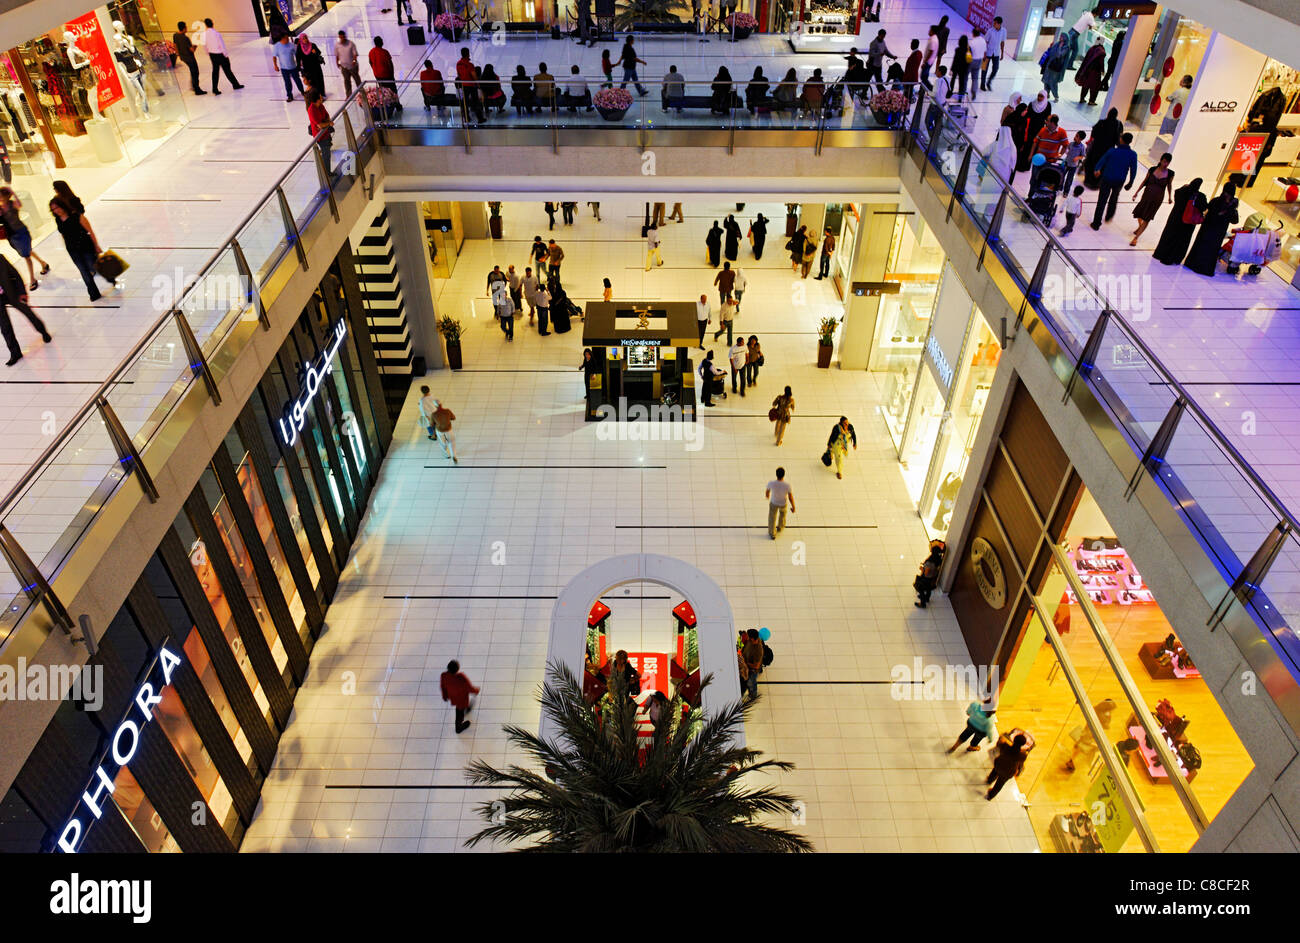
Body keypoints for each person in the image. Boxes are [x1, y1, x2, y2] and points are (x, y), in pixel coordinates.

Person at [50, 196, 107, 301]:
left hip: (86, 246)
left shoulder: (76, 216)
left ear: (62, 206)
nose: (56, 211)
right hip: (73, 250)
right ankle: (94, 293)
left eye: (57, 208)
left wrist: (96, 245)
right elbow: (63, 234)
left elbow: (90, 231)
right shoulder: (58, 220)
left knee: (93, 267)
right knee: (84, 271)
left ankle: (110, 277)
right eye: (53, 209)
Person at [0, 253, 50, 366]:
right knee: (5, 326)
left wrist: (22, 292)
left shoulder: (0, 258)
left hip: (12, 293)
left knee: (28, 313)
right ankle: (15, 353)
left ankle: (43, 331)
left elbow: (15, 274)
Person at [1183, 182, 1239, 276]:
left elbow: (1209, 211)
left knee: (1202, 246)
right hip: (1218, 231)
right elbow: (1234, 220)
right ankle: (1204, 267)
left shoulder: (1217, 201)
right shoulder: (1231, 205)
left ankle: (1193, 263)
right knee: (1210, 249)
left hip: (1209, 228)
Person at [0, 189, 49, 290]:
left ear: (5, 196)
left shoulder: (12, 204)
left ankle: (32, 279)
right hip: (12, 237)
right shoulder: (0, 208)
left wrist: (12, 192)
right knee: (27, 252)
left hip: (21, 233)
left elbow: (19, 204)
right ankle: (43, 264)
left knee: (26, 256)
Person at [1090, 132, 1138, 230]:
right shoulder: (1133, 155)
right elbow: (1134, 169)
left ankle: (1096, 223)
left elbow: (1102, 161)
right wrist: (1131, 182)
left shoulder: (1112, 151)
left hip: (1107, 178)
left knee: (1102, 201)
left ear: (1121, 140)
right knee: (1114, 198)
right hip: (1119, 181)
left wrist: (1097, 169)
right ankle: (1109, 216)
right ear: (1130, 142)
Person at [1153, 178, 1206, 265]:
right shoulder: (1200, 196)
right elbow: (1203, 207)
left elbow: (1176, 195)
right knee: (1182, 240)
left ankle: (1160, 254)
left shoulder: (1182, 191)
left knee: (1169, 236)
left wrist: (1183, 187)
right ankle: (1175, 258)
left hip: (1175, 219)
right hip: (1188, 223)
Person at [1130, 152, 1175, 245]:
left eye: (1168, 162)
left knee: (1147, 218)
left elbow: (1169, 186)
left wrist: (1170, 197)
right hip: (1146, 195)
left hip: (1157, 199)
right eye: (1164, 161)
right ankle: (1140, 227)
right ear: (1161, 160)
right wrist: (1136, 192)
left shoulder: (1170, 173)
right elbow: (1145, 181)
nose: (1166, 164)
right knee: (1139, 213)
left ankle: (1136, 238)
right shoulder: (1152, 169)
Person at [1083, 107, 1123, 187]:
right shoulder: (1118, 124)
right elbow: (1118, 138)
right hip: (1108, 150)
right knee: (1103, 166)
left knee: (1092, 163)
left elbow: (1093, 133)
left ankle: (1088, 181)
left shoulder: (1101, 122)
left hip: (1096, 147)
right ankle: (1097, 183)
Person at [986, 731, 1031, 799]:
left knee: (994, 771)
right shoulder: (1023, 755)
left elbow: (999, 744)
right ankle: (991, 795)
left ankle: (989, 780)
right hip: (1009, 771)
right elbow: (1021, 762)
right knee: (999, 784)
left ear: (1014, 739)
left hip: (999, 763)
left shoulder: (1005, 746)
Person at [202, 19, 242, 93]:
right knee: (227, 71)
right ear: (212, 24)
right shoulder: (216, 33)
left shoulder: (204, 34)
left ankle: (215, 89)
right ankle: (235, 85)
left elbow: (204, 45)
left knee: (215, 72)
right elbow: (221, 45)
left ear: (206, 25)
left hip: (212, 55)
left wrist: (208, 53)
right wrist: (226, 55)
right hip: (220, 54)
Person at [440, 660, 479, 733]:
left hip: (453, 696)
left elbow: (443, 686)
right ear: (457, 669)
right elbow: (469, 688)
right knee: (459, 712)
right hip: (461, 698)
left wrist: (444, 696)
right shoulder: (461, 677)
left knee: (461, 708)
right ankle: (458, 727)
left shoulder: (444, 675)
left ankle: (467, 709)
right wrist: (476, 690)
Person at [172, 21, 205, 94]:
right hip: (190, 58)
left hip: (183, 57)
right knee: (195, 72)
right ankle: (197, 89)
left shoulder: (175, 35)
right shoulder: (185, 38)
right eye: (186, 27)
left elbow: (175, 45)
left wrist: (178, 55)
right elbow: (192, 50)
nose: (187, 28)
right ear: (184, 28)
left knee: (192, 71)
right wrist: (196, 44)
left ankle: (194, 86)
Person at [305, 88, 333, 170]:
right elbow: (320, 125)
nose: (321, 96)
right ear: (317, 99)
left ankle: (327, 171)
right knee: (326, 154)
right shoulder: (311, 110)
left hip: (325, 132)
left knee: (327, 152)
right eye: (320, 96)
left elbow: (327, 116)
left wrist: (326, 123)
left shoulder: (320, 105)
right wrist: (328, 123)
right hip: (320, 136)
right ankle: (327, 173)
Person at [454, 48, 484, 123]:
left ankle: (466, 118)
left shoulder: (458, 63)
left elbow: (459, 74)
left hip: (464, 85)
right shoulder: (470, 65)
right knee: (475, 102)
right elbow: (474, 76)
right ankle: (480, 118)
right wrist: (478, 84)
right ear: (468, 53)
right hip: (471, 85)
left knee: (465, 102)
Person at [765, 466, 795, 539]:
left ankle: (772, 533)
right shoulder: (787, 485)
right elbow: (790, 497)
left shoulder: (771, 483)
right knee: (782, 515)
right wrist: (793, 506)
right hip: (783, 503)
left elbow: (767, 491)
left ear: (776, 474)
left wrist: (767, 496)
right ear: (784, 475)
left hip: (774, 502)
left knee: (772, 517)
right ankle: (780, 527)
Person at [271, 32, 303, 101]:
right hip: (284, 69)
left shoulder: (292, 45)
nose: (288, 39)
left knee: (297, 80)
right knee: (287, 82)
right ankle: (289, 95)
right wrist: (275, 65)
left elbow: (297, 55)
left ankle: (302, 91)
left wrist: (300, 63)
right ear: (282, 38)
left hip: (293, 67)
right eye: (286, 38)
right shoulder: (276, 46)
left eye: (288, 37)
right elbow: (274, 57)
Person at [913, 540, 944, 607]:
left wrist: (922, 569)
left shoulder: (930, 562)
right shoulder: (938, 559)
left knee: (920, 589)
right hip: (932, 577)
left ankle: (922, 603)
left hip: (926, 578)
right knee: (928, 588)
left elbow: (926, 572)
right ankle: (927, 598)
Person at [1074, 39, 1106, 106]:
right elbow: (1101, 62)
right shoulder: (1101, 51)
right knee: (1095, 87)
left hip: (1087, 70)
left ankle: (1082, 98)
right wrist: (1102, 71)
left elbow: (1086, 59)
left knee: (1085, 85)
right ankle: (1091, 101)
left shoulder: (1092, 48)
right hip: (1095, 72)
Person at [1064, 5, 1096, 70]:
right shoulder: (1091, 17)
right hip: (1075, 34)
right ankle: (1069, 65)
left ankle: (1064, 63)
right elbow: (1094, 27)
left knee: (1069, 48)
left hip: (1072, 31)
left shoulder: (1087, 13)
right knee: (1075, 50)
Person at [296, 33, 326, 100]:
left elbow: (319, 53)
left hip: (316, 67)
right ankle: (315, 96)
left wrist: (315, 52)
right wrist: (299, 69)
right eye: (303, 38)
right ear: (301, 40)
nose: (305, 40)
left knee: (318, 81)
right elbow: (298, 58)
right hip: (307, 69)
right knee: (312, 83)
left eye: (306, 38)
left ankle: (321, 95)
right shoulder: (299, 48)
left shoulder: (312, 45)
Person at [1040, 34, 1069, 103]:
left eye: (1062, 37)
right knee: (1046, 80)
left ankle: (1056, 96)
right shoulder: (1057, 44)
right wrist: (1050, 47)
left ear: (1065, 38)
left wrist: (1060, 47)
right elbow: (1050, 52)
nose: (1060, 38)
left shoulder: (1065, 47)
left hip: (1055, 68)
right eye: (1060, 36)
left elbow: (1059, 55)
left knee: (1053, 83)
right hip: (1049, 65)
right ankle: (1046, 94)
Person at [982, 16, 1007, 90]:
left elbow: (1002, 42)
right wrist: (984, 53)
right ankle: (982, 84)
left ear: (999, 24)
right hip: (988, 52)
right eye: (994, 22)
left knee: (996, 68)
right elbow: (985, 42)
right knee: (984, 68)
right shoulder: (990, 31)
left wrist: (1002, 53)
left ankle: (989, 82)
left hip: (996, 53)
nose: (994, 24)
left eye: (995, 23)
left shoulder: (1004, 31)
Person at [336, 30, 361, 97]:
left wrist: (354, 61)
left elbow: (355, 54)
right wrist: (337, 63)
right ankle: (348, 95)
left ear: (345, 36)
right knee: (347, 81)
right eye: (341, 37)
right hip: (344, 67)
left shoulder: (351, 44)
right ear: (339, 37)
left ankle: (362, 93)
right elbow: (337, 55)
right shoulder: (337, 45)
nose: (342, 38)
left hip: (353, 67)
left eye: (343, 37)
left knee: (357, 80)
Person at [1061, 129, 1087, 194]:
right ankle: (1059, 187)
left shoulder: (1082, 147)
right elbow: (1067, 149)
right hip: (1066, 163)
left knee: (1069, 180)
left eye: (1077, 136)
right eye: (1075, 135)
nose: (1075, 137)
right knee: (1062, 176)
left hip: (1073, 166)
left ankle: (1066, 192)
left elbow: (1083, 156)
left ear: (1081, 139)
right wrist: (1067, 152)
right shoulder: (1071, 144)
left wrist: (1078, 157)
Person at [741, 628, 765, 699]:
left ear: (753, 639)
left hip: (752, 669)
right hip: (745, 663)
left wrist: (746, 663)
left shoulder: (758, 650)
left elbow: (756, 666)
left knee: (750, 683)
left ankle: (753, 696)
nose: (747, 638)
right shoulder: (750, 641)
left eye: (748, 637)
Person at [966, 29, 986, 102]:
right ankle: (974, 92)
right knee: (975, 78)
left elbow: (969, 53)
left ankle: (963, 90)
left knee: (965, 76)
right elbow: (984, 52)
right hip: (979, 60)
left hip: (972, 60)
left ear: (973, 34)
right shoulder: (983, 41)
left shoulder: (972, 42)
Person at [949, 35, 971, 100]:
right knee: (961, 84)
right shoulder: (968, 50)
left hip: (956, 68)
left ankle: (949, 93)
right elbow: (969, 61)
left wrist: (951, 69)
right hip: (964, 69)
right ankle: (960, 97)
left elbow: (955, 60)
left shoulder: (958, 49)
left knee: (952, 81)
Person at [920, 25, 939, 90]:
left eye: (930, 30)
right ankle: (923, 90)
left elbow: (931, 52)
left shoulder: (933, 40)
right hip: (930, 61)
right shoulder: (933, 38)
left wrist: (924, 62)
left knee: (923, 77)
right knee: (924, 77)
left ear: (933, 31)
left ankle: (930, 89)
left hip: (928, 62)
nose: (929, 31)